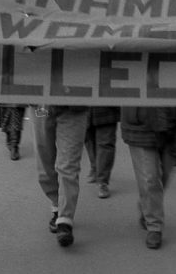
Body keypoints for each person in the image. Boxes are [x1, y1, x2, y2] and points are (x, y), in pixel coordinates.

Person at [119, 0, 176, 250]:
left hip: (173, 116)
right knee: (150, 177)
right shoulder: (120, 30)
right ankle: (155, 225)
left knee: (162, 177)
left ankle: (146, 206)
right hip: (138, 118)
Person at [32, 104, 89, 248]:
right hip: (42, 106)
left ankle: (64, 219)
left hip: (75, 106)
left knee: (69, 164)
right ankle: (57, 203)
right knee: (44, 160)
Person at [84, 106, 120, 198]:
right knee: (88, 139)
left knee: (106, 143)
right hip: (83, 106)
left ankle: (102, 182)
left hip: (107, 106)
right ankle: (95, 167)